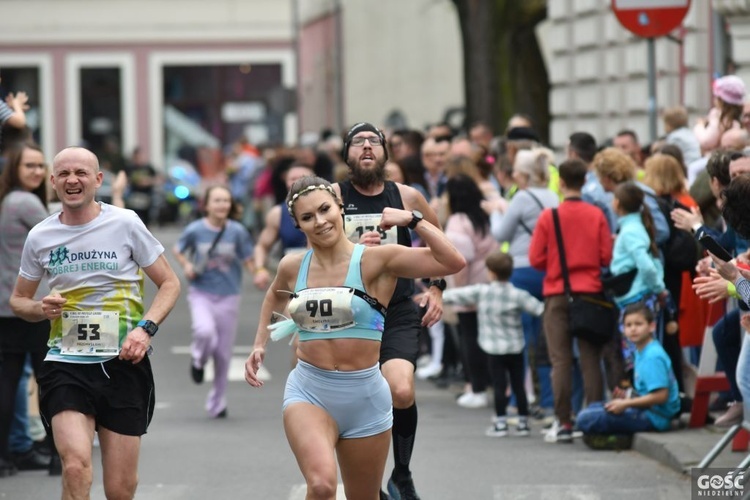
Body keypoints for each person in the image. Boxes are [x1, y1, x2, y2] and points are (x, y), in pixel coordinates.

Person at [244, 176, 465, 500]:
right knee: (321, 486)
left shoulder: (378, 260)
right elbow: (274, 296)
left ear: (339, 208)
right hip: (310, 390)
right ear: (298, 225)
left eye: (324, 210)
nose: (319, 222)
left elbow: (452, 262)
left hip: (365, 398)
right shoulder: (293, 265)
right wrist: (259, 344)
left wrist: (414, 219)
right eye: (308, 217)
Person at [9, 146, 181, 499]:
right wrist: (41, 308)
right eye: (65, 174)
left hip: (123, 362)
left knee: (120, 489)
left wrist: (144, 329)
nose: (73, 180)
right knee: (75, 465)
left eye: (82, 173)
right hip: (65, 362)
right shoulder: (40, 236)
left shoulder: (125, 222)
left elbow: (169, 283)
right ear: (53, 182)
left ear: (98, 180)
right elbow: (18, 301)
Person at [333, 122, 444, 499]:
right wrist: (352, 247)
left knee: (400, 387)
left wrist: (437, 289)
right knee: (355, 400)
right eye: (358, 142)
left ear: (385, 152)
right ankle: (369, 483)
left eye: (374, 142)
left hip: (396, 310)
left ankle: (402, 474)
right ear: (347, 154)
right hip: (346, 315)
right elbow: (314, 253)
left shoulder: (407, 196)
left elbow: (439, 243)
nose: (366, 147)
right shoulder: (332, 197)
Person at [528, 158, 612, 443]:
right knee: (590, 357)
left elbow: (536, 259)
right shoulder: (597, 214)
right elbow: (605, 257)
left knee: (560, 360)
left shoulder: (549, 217)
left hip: (557, 293)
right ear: (584, 181)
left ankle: (564, 422)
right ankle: (594, 415)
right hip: (590, 293)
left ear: (561, 182)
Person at [172, 185, 254, 418]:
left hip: (229, 295)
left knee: (223, 353)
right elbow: (178, 249)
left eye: (226, 201)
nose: (222, 205)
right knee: (204, 331)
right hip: (201, 293)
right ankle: (198, 360)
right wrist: (187, 265)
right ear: (206, 205)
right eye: (217, 201)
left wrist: (257, 271)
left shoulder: (237, 231)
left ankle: (217, 402)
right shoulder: (196, 230)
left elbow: (247, 257)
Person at [443, 252, 544, 437]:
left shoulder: (483, 292)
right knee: (518, 385)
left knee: (499, 385)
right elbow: (538, 309)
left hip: (493, 348)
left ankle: (501, 423)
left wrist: (435, 294)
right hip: (515, 347)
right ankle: (523, 423)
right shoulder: (518, 295)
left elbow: (457, 295)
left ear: (491, 273)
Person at [0, 143, 53, 477]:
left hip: (6, 306)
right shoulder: (26, 201)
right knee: (49, 379)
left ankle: (5, 455)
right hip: (31, 305)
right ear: (15, 169)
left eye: (39, 165)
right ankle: (56, 451)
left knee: (8, 381)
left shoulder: (6, 201)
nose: (36, 171)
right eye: (29, 166)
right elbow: (62, 231)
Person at [576, 302, 680, 436]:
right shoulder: (640, 352)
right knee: (593, 407)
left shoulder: (652, 356)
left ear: (651, 326)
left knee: (585, 418)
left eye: (638, 324)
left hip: (655, 417)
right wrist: (627, 396)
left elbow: (661, 395)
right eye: (628, 325)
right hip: (646, 410)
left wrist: (626, 404)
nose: (633, 329)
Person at [440, 174, 499, 405]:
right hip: (489, 285)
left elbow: (460, 260)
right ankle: (493, 386)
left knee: (469, 338)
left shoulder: (457, 221)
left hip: (469, 289)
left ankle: (477, 388)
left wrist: (458, 292)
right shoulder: (484, 217)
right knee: (488, 339)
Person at [253, 164, 313, 290]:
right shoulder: (278, 213)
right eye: (292, 178)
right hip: (293, 281)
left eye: (302, 178)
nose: (297, 182)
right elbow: (262, 246)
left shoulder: (328, 210)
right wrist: (260, 269)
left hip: (325, 277)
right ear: (286, 182)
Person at [694, 75, 746, 154]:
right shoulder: (740, 117)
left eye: (716, 97)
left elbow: (706, 141)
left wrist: (699, 126)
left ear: (721, 100)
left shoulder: (718, 117)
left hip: (716, 160)